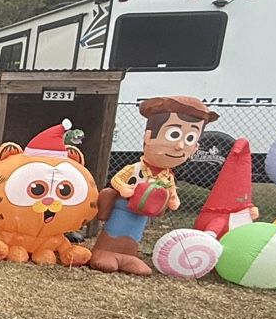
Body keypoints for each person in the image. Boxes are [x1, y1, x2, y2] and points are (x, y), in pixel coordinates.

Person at [87, 95, 219, 276]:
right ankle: (105, 251)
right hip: (124, 207)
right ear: (148, 137)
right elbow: (117, 180)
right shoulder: (135, 168)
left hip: (144, 213)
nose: (180, 146)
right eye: (173, 135)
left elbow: (172, 192)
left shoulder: (168, 176)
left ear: (195, 147)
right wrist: (124, 189)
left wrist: (173, 199)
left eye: (189, 139)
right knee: (117, 228)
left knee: (135, 233)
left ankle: (129, 255)